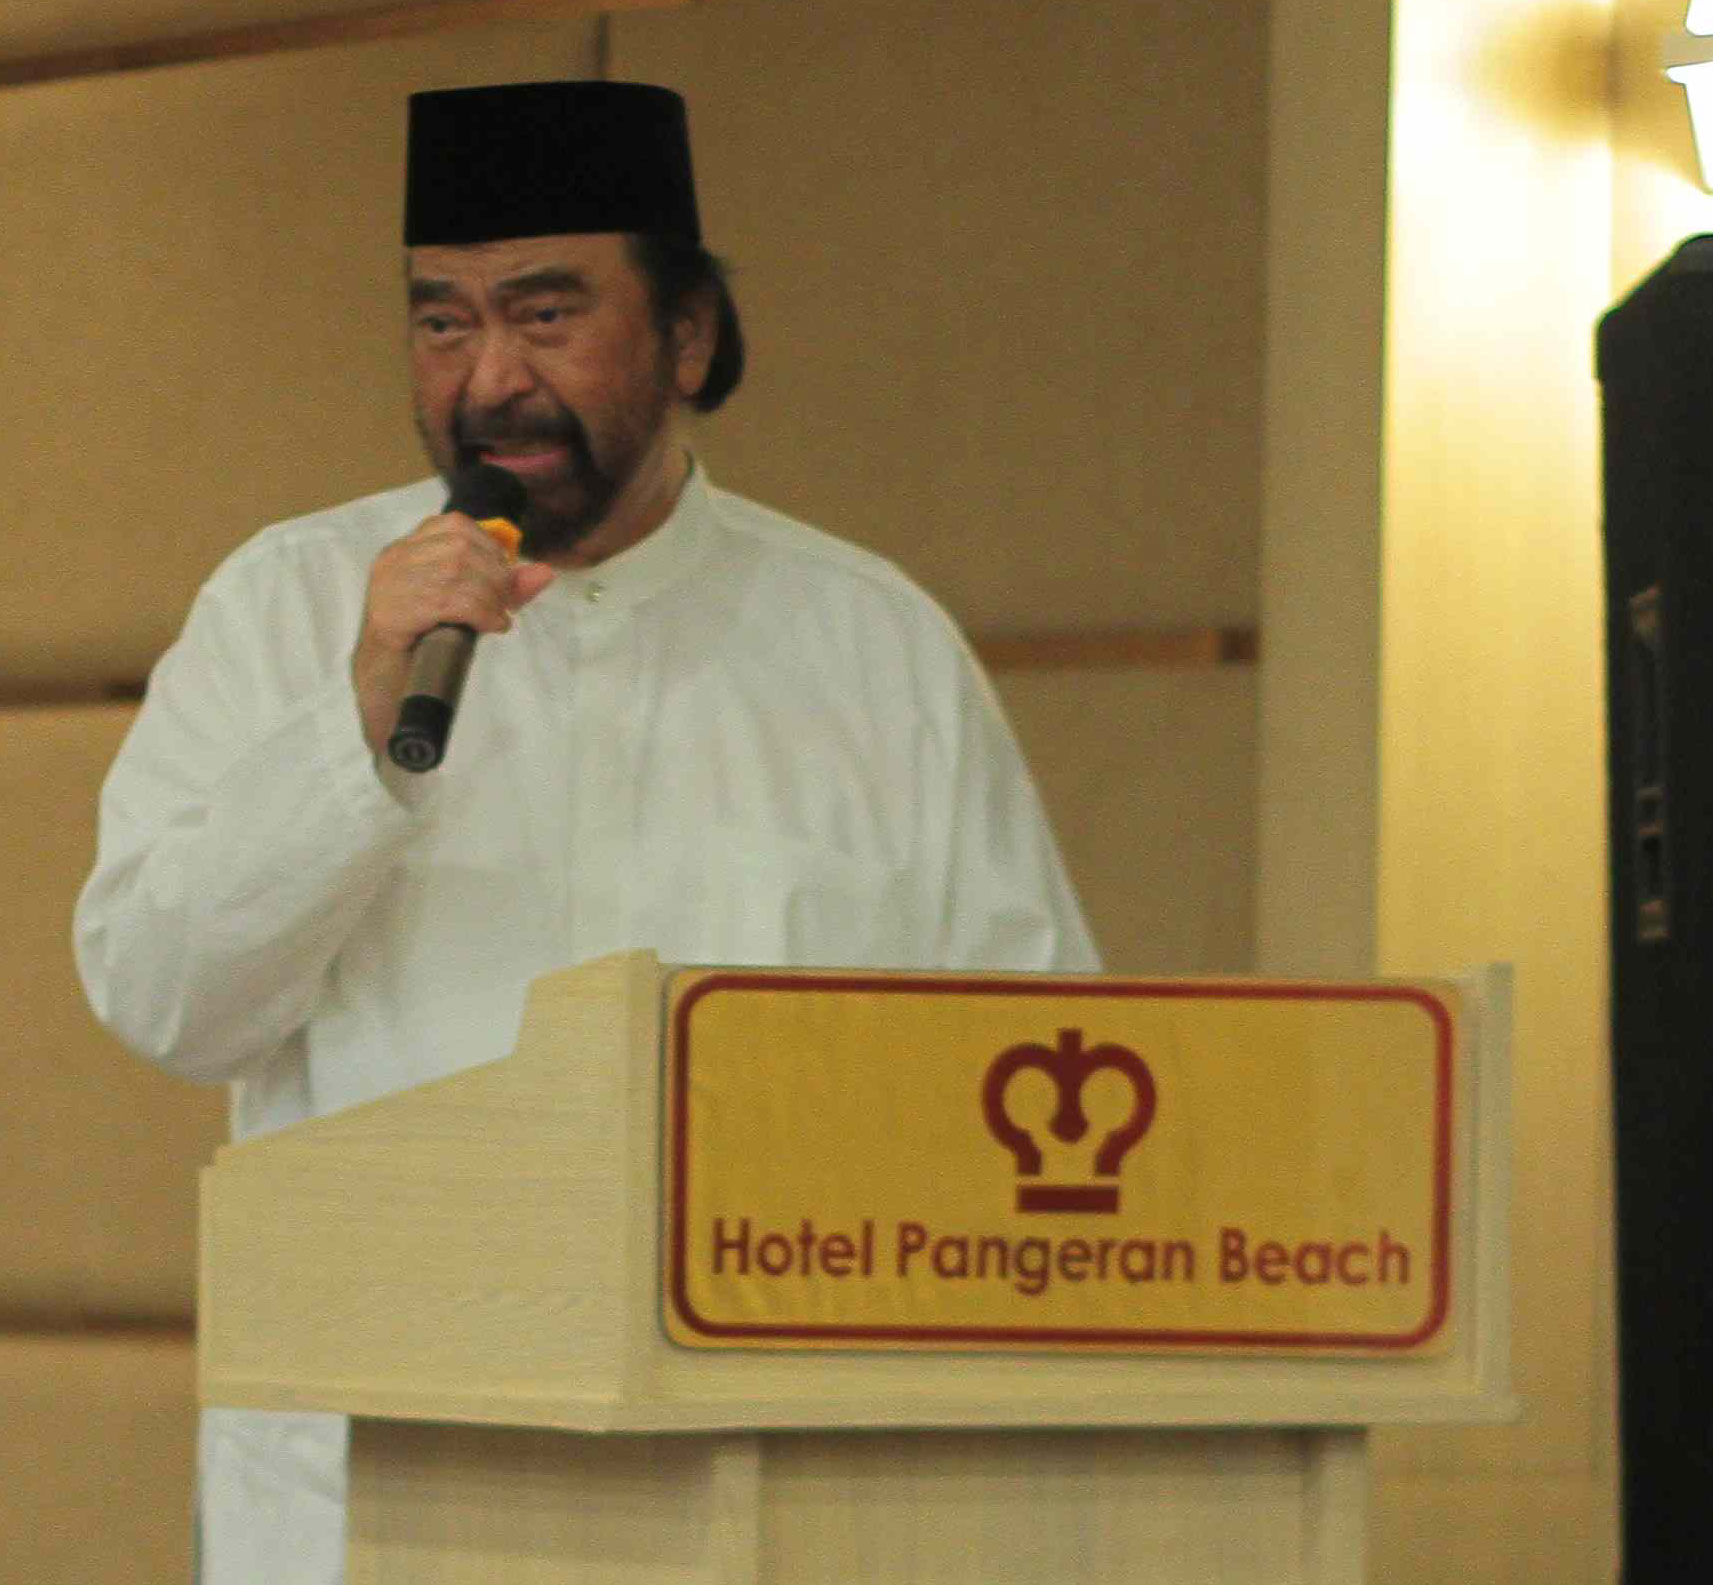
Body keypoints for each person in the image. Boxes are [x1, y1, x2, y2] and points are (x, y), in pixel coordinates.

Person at [73, 78, 1101, 1585]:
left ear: (685, 335)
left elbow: (1027, 1073)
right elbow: (166, 999)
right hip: (371, 1501)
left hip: (762, 1505)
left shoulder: (873, 647)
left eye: (546, 316)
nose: (490, 379)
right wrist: (357, 715)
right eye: (442, 322)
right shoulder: (287, 607)